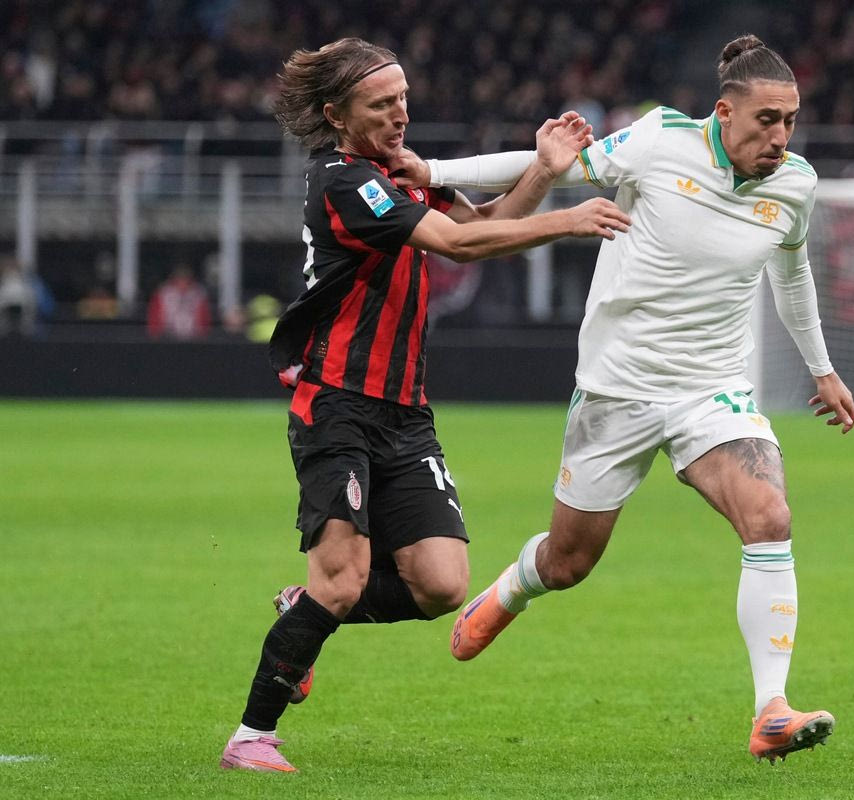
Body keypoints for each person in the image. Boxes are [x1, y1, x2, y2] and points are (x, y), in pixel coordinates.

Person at [396, 34, 854, 764]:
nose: (780, 137)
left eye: (790, 121)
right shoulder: (660, 140)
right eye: (767, 120)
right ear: (725, 112)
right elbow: (549, 162)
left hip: (712, 389)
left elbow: (792, 274)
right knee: (569, 563)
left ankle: (771, 709)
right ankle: (513, 588)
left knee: (769, 515)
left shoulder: (794, 184)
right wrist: (433, 171)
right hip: (617, 387)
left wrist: (821, 369)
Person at [219, 37, 630, 774]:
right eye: (382, 104)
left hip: (405, 413)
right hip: (336, 404)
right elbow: (456, 246)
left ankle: (303, 610)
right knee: (343, 579)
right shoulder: (345, 182)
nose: (400, 114)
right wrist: (567, 219)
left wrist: (545, 170)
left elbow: (480, 226)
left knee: (441, 584)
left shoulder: (400, 172)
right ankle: (251, 736)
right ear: (336, 116)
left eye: (403, 98)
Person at [146, 264, 212, 339]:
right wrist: (156, 335)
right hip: (167, 337)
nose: (183, 282)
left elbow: (205, 321)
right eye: (180, 278)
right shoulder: (163, 293)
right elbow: (154, 321)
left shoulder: (199, 294)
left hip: (194, 338)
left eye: (185, 279)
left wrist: (202, 335)